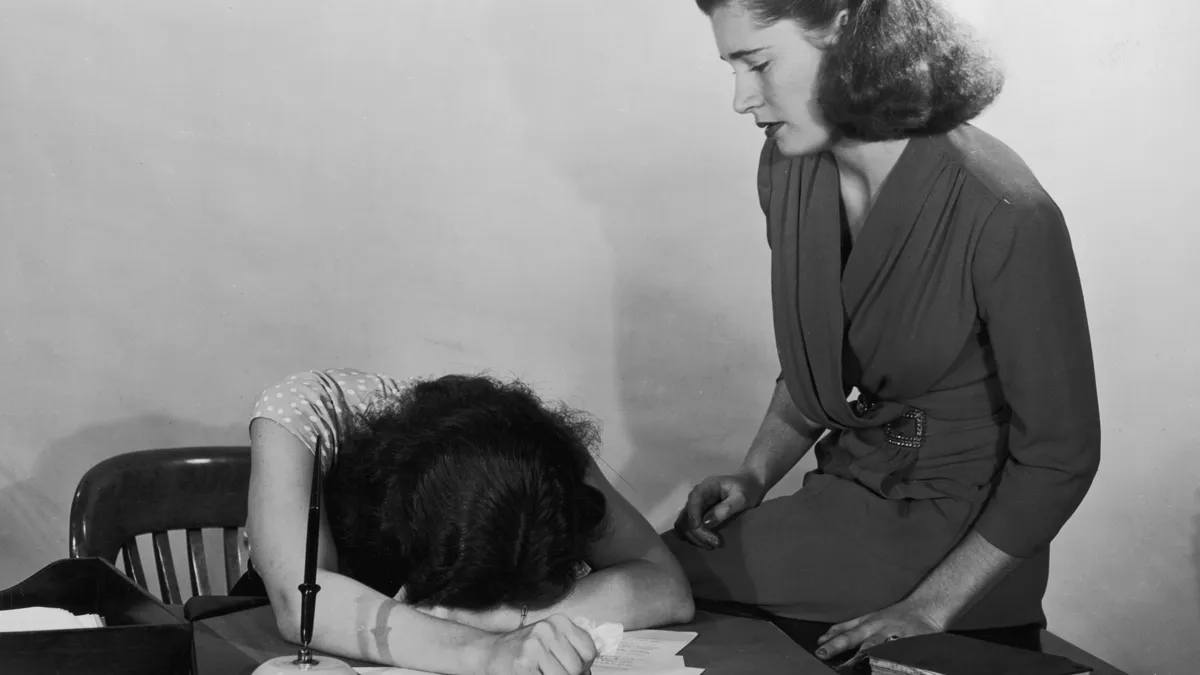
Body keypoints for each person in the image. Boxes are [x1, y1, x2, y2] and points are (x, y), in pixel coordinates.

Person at [668, 0, 1102, 666]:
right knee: (639, 566)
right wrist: (755, 473)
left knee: (644, 577)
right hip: (844, 497)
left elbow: (1061, 455)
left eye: (757, 63)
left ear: (846, 34)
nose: (740, 98)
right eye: (732, 66)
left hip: (957, 536)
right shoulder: (785, 167)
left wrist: (928, 608)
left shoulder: (1005, 209)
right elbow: (822, 352)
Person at [242, 368, 694, 675]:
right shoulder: (302, 413)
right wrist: (489, 651)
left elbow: (665, 587)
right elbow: (304, 600)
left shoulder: (540, 452)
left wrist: (489, 620)